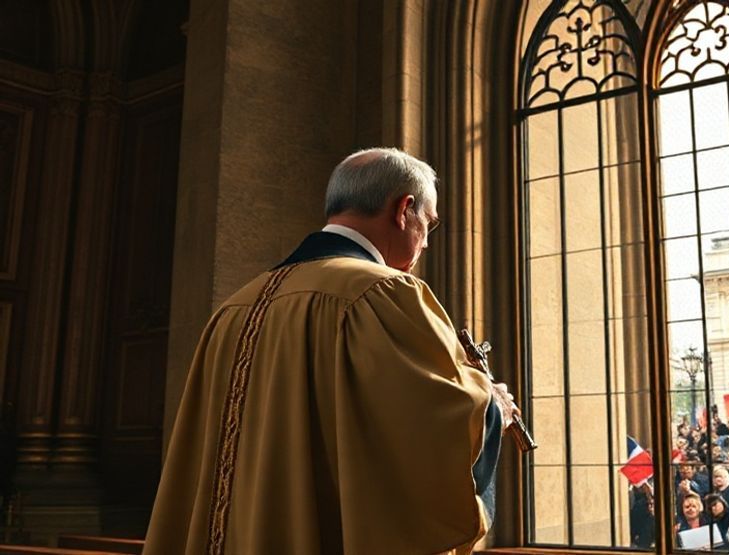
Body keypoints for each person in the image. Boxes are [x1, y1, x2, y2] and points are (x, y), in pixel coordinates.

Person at [144, 148, 516, 555]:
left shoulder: (233, 308)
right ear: (403, 209)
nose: (425, 243)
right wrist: (492, 407)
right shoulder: (384, 293)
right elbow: (431, 427)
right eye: (428, 225)